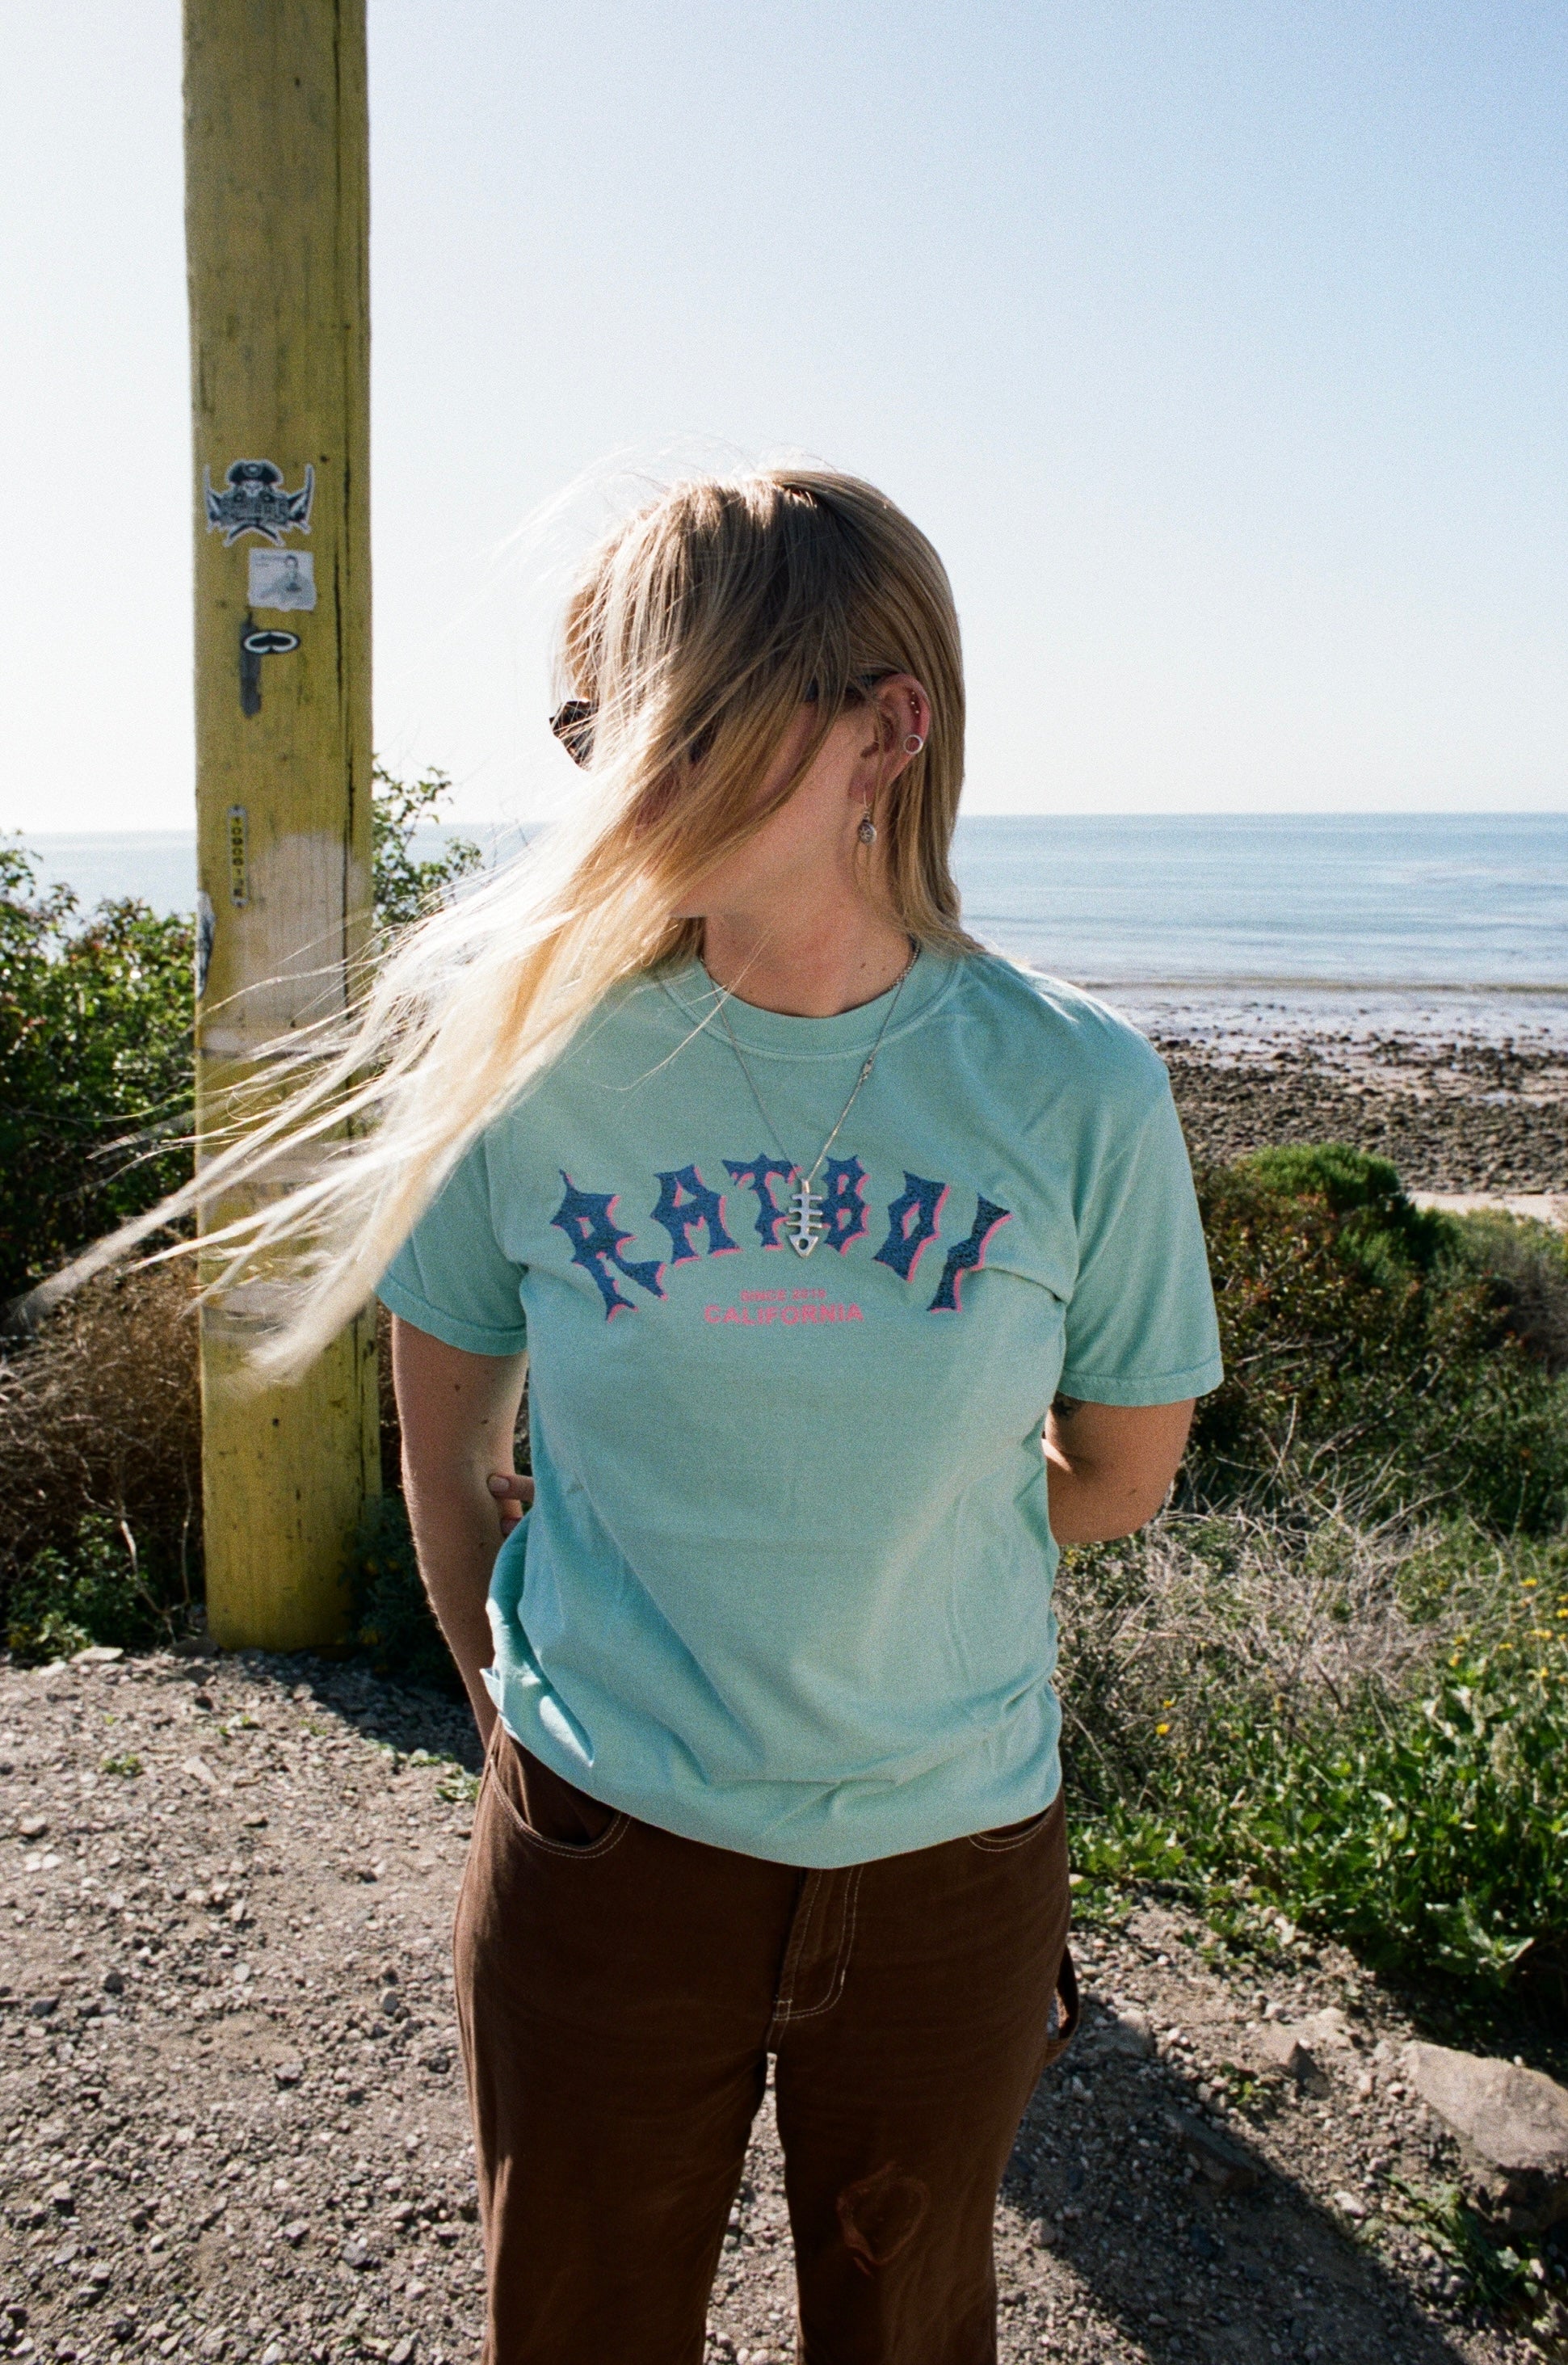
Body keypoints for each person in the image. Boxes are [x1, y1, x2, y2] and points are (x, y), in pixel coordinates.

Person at [369, 468, 1224, 2365]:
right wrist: (522, 1728)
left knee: (908, 2334)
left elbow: (1123, 1475)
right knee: (577, 2324)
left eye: (664, 720)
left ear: (882, 728)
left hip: (950, 1874)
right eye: (588, 727)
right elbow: (442, 1448)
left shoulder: (1076, 1086)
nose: (607, 784)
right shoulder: (524, 1065)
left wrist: (875, 1547)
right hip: (600, 1853)